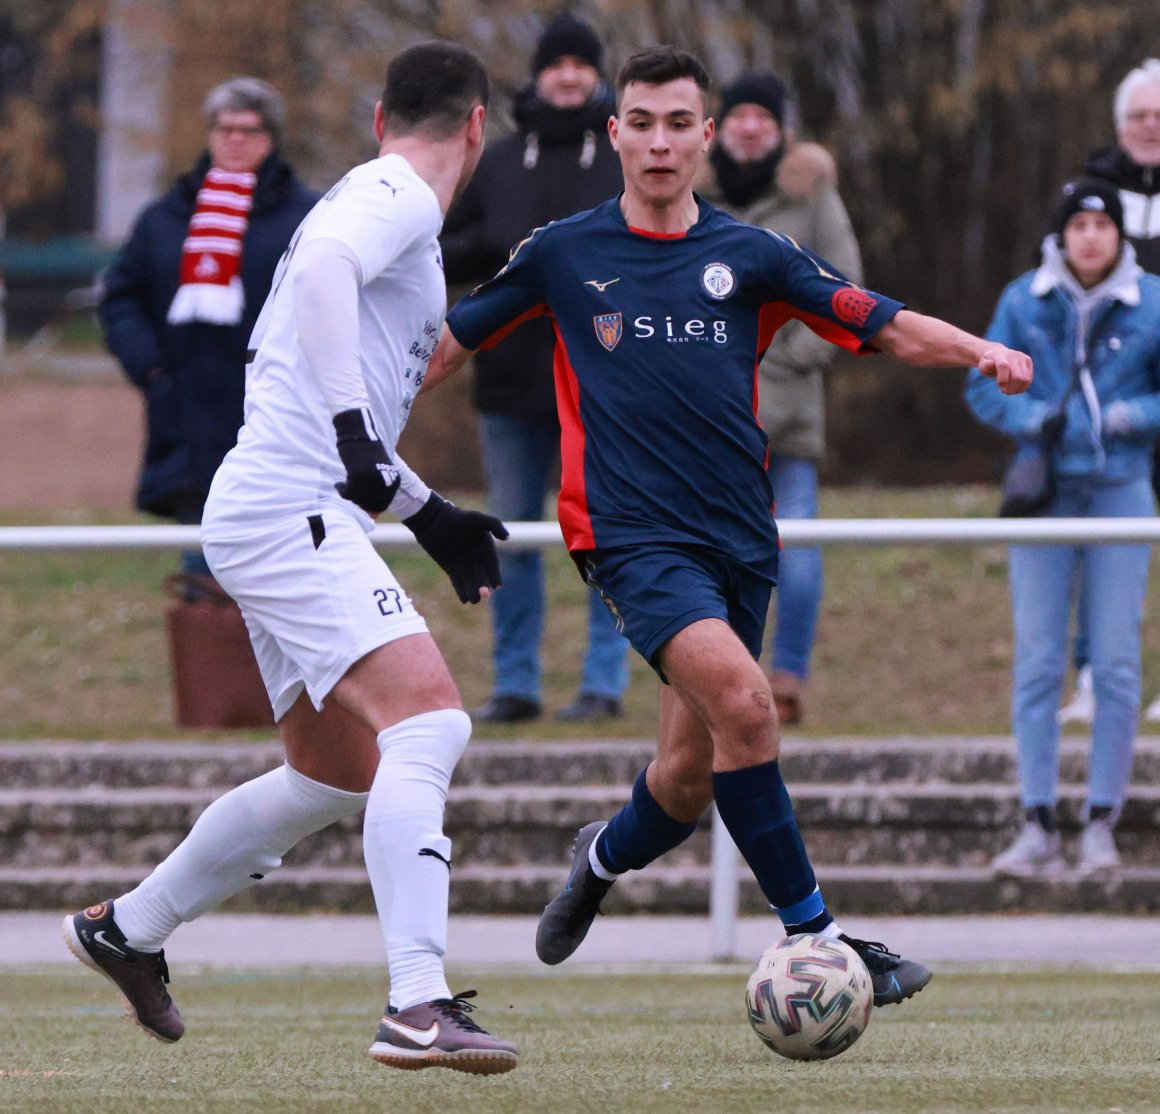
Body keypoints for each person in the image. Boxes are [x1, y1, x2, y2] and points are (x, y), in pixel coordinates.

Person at [424, 46, 1032, 1005]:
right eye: (642, 123)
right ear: (613, 133)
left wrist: (982, 350)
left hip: (740, 539)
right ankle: (823, 938)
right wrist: (337, 420)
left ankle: (601, 860)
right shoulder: (564, 252)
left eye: (679, 124)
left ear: (705, 137)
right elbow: (444, 349)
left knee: (688, 776)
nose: (659, 142)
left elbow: (878, 320)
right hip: (628, 537)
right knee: (750, 708)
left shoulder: (750, 255)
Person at [65, 41, 518, 1075]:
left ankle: (127, 927)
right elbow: (318, 276)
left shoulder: (377, 191)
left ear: (375, 115)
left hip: (278, 502)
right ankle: (416, 1001)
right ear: (478, 126)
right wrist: (365, 445)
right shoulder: (399, 191)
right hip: (286, 508)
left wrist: (422, 507)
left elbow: (320, 376)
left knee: (331, 773)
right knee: (430, 722)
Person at [965, 177, 1160, 879]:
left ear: (1119, 235)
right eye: (1077, 225)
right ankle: (1037, 821)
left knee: (1114, 662)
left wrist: (1129, 416)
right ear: (1060, 235)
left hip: (1122, 489)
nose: (1090, 237)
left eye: (1102, 225)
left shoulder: (1152, 301)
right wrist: (1030, 419)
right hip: (1044, 492)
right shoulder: (1024, 299)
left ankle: (1101, 822)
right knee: (1039, 660)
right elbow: (979, 382)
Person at [441, 13, 631, 724]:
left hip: (604, 380)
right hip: (509, 381)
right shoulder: (497, 160)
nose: (570, 76)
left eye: (583, 64)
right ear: (538, 74)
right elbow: (456, 244)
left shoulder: (620, 158)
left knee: (605, 532)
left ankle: (603, 683)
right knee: (510, 535)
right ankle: (515, 683)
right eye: (558, 65)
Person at [98, 77, 318, 585]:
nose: (235, 139)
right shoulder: (166, 216)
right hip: (186, 413)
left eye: (250, 129)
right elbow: (120, 295)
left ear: (272, 137)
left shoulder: (305, 216)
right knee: (203, 574)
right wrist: (151, 368)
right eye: (225, 128)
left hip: (274, 414)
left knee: (278, 573)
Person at [695, 71, 862, 725]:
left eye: (764, 115)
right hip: (703, 413)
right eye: (740, 115)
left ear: (781, 128)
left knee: (794, 547)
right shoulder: (690, 189)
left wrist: (788, 359)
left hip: (786, 412)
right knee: (706, 549)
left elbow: (848, 290)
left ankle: (788, 674)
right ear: (721, 125)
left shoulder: (812, 191)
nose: (750, 125)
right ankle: (720, 674)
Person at [1060, 58, 1160, 725]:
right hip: (1109, 404)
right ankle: (1093, 678)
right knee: (1098, 544)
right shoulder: (1086, 196)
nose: (1150, 127)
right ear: (1120, 124)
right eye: (1139, 116)